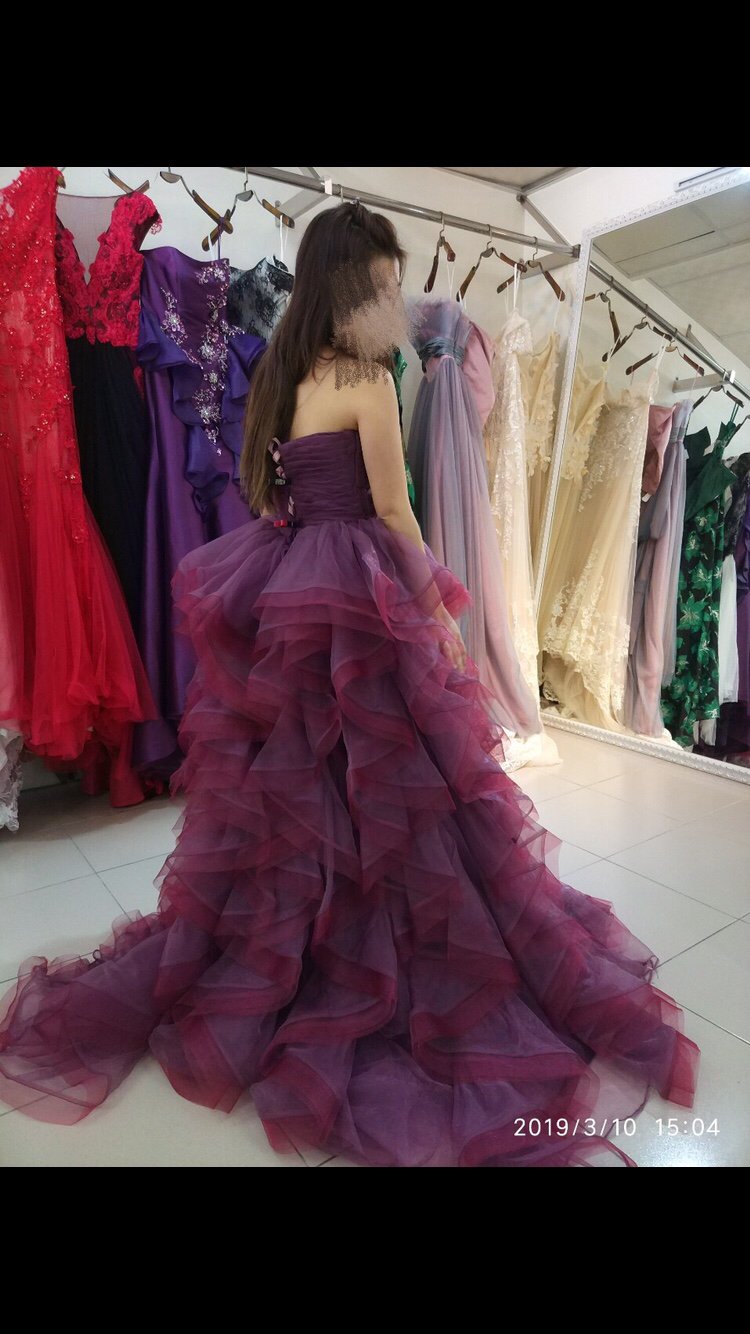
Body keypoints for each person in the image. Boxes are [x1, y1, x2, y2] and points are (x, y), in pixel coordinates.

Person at [0, 203, 698, 1167]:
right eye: (385, 282)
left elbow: (271, 490)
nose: (396, 299)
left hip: (293, 580)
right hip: (356, 588)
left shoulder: (284, 374)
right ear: (351, 285)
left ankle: (294, 946)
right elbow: (397, 511)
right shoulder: (365, 378)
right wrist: (441, 619)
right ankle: (375, 962)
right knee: (392, 784)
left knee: (300, 787)